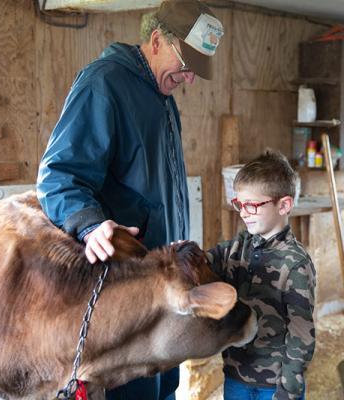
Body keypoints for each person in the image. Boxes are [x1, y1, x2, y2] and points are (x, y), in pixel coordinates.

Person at [35, 0, 224, 398]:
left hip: (163, 288)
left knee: (165, 386)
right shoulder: (104, 84)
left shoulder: (162, 98)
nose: (189, 79)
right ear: (157, 40)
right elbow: (58, 176)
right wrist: (89, 224)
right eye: (186, 63)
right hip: (124, 293)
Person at [207, 151, 314, 400]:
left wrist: (288, 390)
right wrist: (185, 254)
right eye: (239, 205)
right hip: (236, 377)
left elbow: (301, 335)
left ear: (283, 205)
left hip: (275, 385)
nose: (243, 213)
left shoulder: (296, 264)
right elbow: (206, 261)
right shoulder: (238, 246)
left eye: (252, 205)